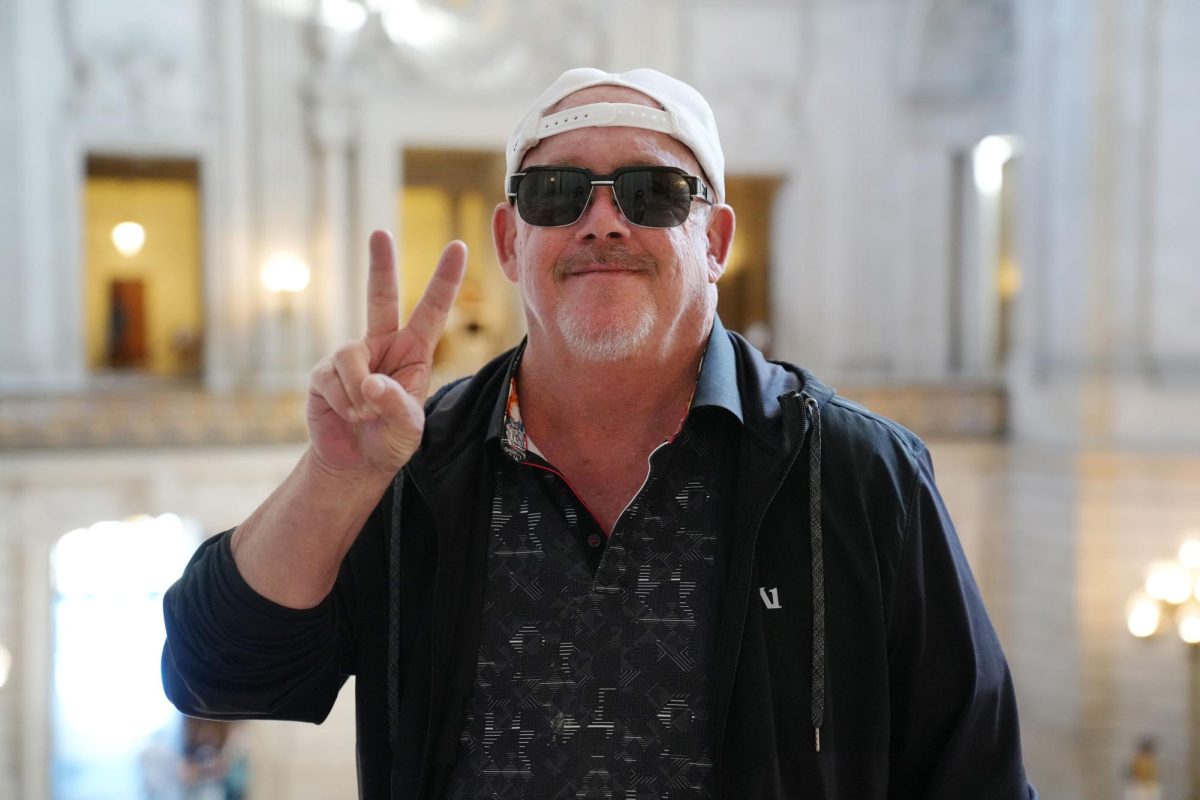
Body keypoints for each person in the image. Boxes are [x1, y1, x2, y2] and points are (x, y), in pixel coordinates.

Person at [162, 67, 1038, 799]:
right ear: (511, 241)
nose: (604, 220)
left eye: (655, 192)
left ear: (716, 239)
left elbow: (977, 775)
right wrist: (338, 476)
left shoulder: (855, 473)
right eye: (557, 193)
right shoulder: (416, 468)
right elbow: (216, 672)